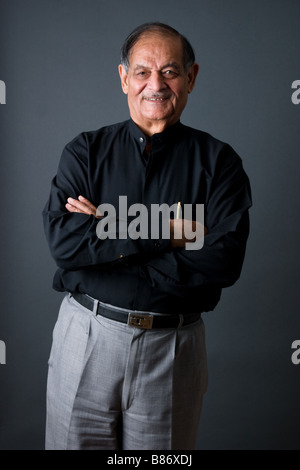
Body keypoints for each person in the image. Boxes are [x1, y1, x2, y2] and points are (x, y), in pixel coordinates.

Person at [43, 22, 252, 450]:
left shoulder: (220, 163)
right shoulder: (85, 152)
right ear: (124, 78)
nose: (155, 84)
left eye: (170, 72)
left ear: (191, 77)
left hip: (173, 348)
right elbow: (65, 245)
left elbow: (222, 262)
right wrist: (173, 232)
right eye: (142, 72)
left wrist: (110, 228)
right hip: (87, 338)